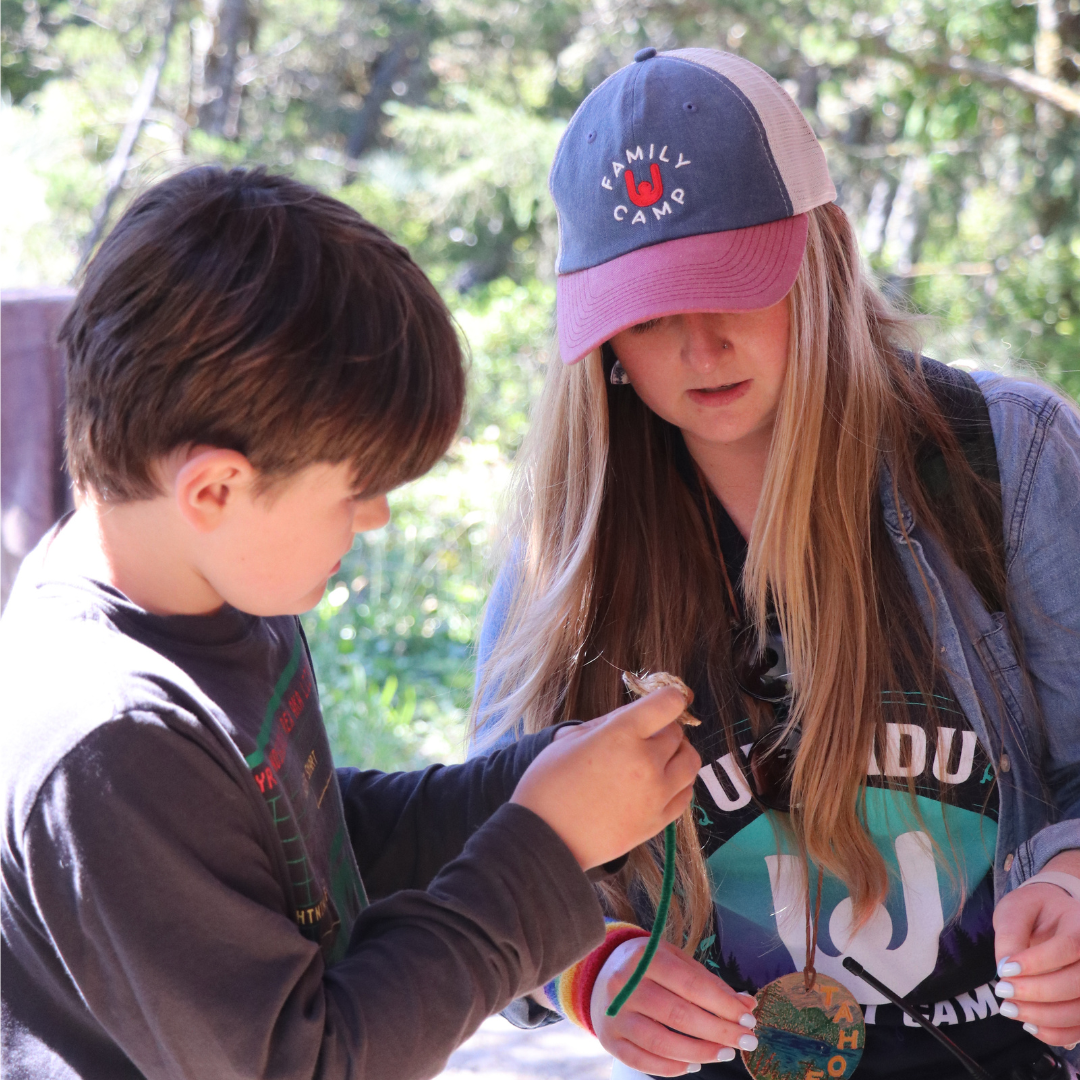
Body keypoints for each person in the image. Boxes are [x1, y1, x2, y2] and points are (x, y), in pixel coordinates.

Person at [0, 166, 704, 1080]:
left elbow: (302, 845)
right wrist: (545, 844)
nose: (375, 521)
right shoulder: (108, 741)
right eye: (357, 489)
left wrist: (524, 786)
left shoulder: (209, 590)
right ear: (215, 488)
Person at [471, 47, 1080, 1080]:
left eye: (728, 286)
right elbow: (487, 861)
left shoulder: (1004, 461)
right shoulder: (566, 548)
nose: (698, 347)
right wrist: (588, 971)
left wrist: (1071, 877)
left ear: (823, 254)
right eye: (650, 309)